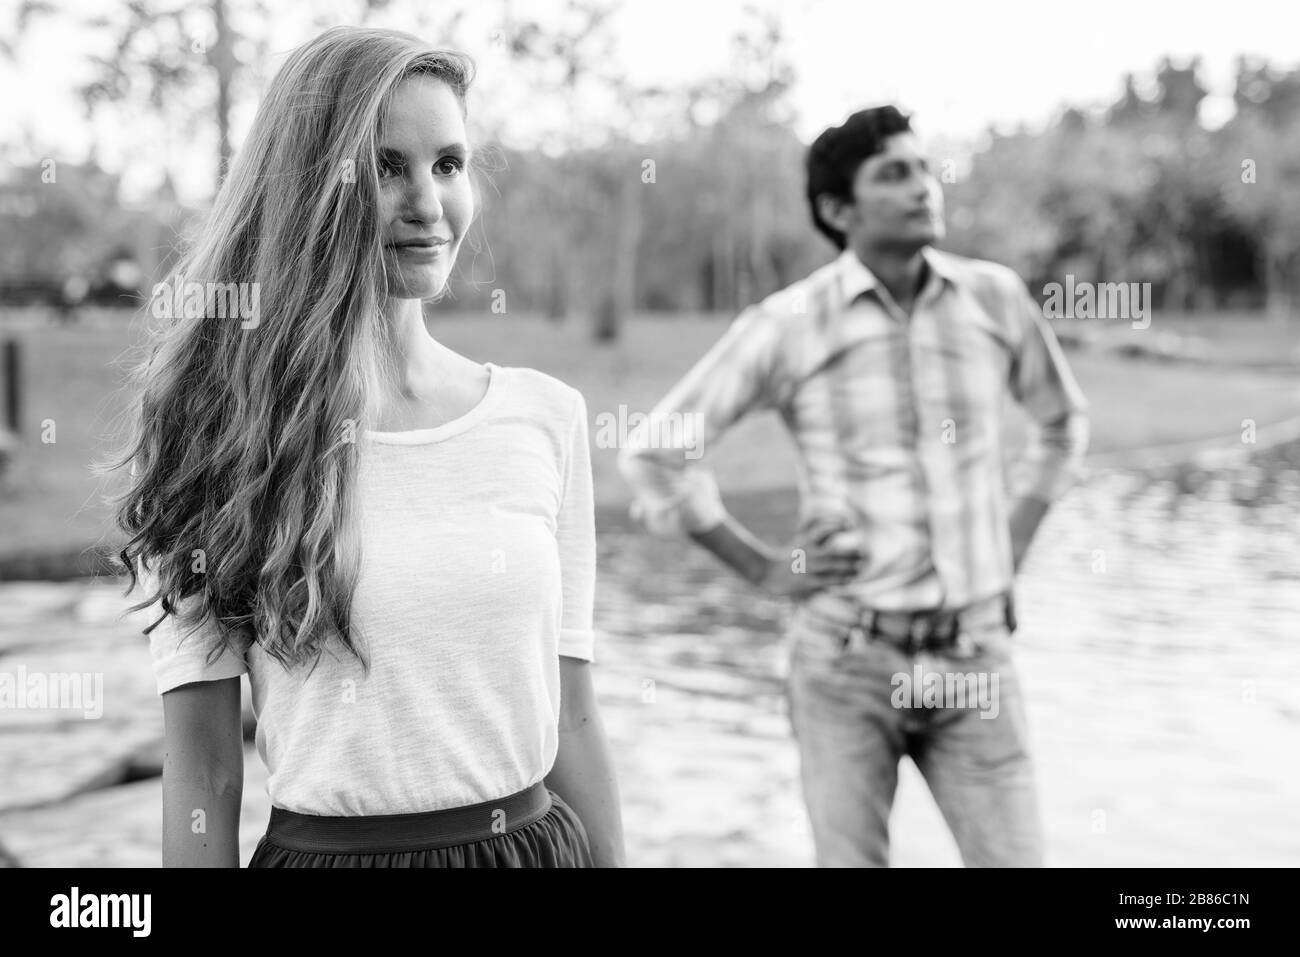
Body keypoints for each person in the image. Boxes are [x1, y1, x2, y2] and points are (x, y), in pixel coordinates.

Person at [113, 25, 624, 868]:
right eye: (388, 167)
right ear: (311, 187)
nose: (429, 202)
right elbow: (203, 772)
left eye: (449, 164)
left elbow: (572, 715)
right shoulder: (218, 430)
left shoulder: (546, 416)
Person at [618, 106, 1088, 867]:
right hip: (844, 661)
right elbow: (655, 452)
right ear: (839, 210)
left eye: (923, 168)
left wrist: (1011, 549)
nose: (921, 187)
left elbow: (1063, 425)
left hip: (975, 660)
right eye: (893, 174)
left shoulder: (994, 298)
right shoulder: (787, 323)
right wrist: (764, 567)